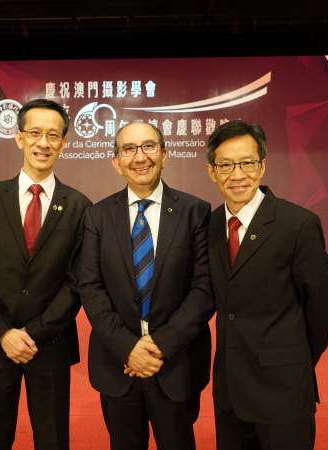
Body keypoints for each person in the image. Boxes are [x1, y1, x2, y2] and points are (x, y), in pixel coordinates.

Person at [0, 99, 91, 450]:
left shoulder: (80, 206)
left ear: (63, 143)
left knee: (52, 439)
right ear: (19, 138)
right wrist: (3, 334)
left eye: (53, 135)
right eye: (35, 133)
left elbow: (77, 282)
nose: (43, 143)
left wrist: (33, 334)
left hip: (49, 344)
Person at [78, 121, 215, 450]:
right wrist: (129, 348)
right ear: (116, 162)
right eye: (129, 149)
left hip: (176, 361)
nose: (140, 157)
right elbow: (90, 287)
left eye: (149, 147)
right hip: (118, 363)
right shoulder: (97, 216)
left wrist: (159, 345)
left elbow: (204, 288)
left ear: (165, 155)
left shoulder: (195, 211)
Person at [206, 119, 328, 450]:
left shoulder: (298, 224)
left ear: (262, 165)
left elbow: (321, 306)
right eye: (225, 165)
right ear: (212, 172)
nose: (237, 175)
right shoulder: (209, 225)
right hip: (229, 389)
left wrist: (294, 360)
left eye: (247, 163)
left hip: (283, 390)